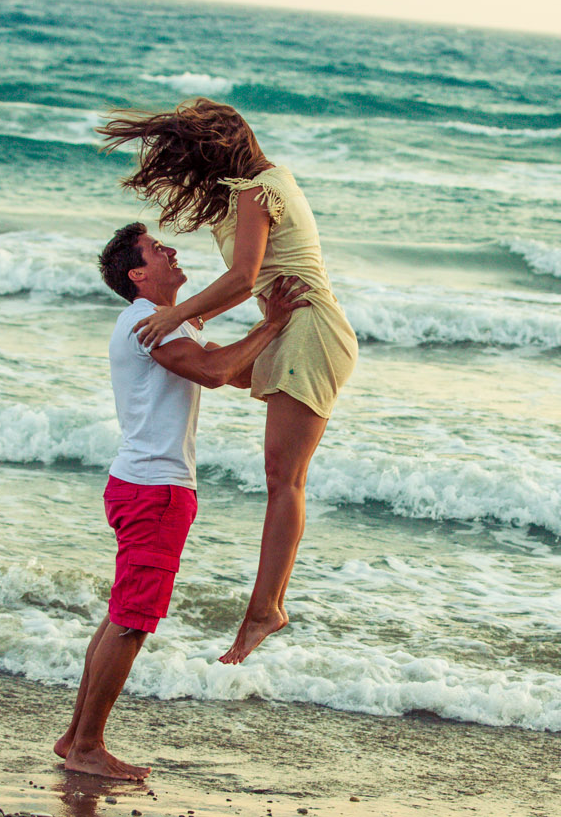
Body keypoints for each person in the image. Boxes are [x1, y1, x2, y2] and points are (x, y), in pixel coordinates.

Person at [98, 100, 357, 665]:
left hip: (307, 326)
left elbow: (243, 277)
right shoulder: (256, 185)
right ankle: (266, 606)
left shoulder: (257, 189)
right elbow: (223, 338)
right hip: (292, 327)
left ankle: (267, 608)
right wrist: (185, 319)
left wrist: (174, 313)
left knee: (283, 477)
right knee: (212, 364)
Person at [54, 221, 310, 780]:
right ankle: (89, 746)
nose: (171, 250)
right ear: (138, 274)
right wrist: (270, 326)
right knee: (132, 621)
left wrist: (279, 340)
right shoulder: (150, 325)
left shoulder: (171, 323)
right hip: (154, 492)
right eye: (156, 248)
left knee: (121, 613)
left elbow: (230, 361)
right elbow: (216, 372)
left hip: (143, 485)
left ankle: (77, 735)